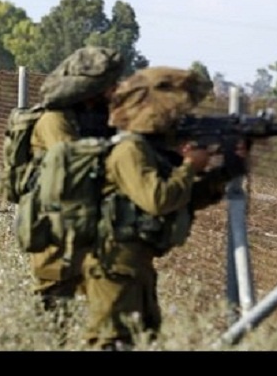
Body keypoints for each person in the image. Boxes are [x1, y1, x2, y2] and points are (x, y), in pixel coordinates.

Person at [81, 66, 248, 351]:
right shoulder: (128, 151)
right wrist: (189, 166)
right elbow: (158, 200)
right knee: (112, 343)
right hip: (114, 268)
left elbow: (184, 199)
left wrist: (224, 171)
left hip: (136, 266)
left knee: (143, 341)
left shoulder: (147, 150)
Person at [26, 46, 125, 337]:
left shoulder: (99, 117)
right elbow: (70, 163)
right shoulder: (54, 120)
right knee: (53, 310)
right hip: (54, 229)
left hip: (93, 226)